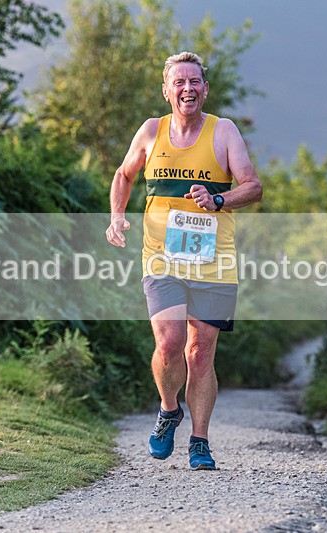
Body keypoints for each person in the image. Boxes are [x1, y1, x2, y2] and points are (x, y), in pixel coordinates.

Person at [105, 51, 262, 470]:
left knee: (200, 351)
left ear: (205, 90)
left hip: (214, 261)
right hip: (162, 258)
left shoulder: (224, 132)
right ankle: (168, 408)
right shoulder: (151, 132)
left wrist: (216, 199)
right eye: (180, 82)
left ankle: (199, 441)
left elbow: (252, 187)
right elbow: (123, 175)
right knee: (170, 344)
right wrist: (117, 216)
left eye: (195, 82)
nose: (187, 88)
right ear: (166, 90)